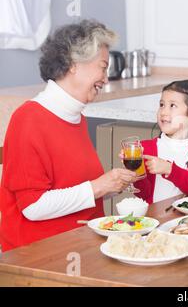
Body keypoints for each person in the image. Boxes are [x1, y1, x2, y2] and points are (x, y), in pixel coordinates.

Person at [0, 20, 138, 252]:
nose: (105, 78)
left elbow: (73, 190)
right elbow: (33, 207)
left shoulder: (75, 117)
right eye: (103, 67)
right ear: (74, 64)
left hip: (83, 244)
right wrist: (98, 187)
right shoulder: (29, 120)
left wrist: (111, 186)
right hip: (40, 255)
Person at [133, 80, 188, 203]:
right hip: (152, 220)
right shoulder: (145, 148)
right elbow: (143, 194)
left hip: (184, 221)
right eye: (162, 105)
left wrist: (169, 169)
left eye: (172, 106)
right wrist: (136, 170)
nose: (163, 112)